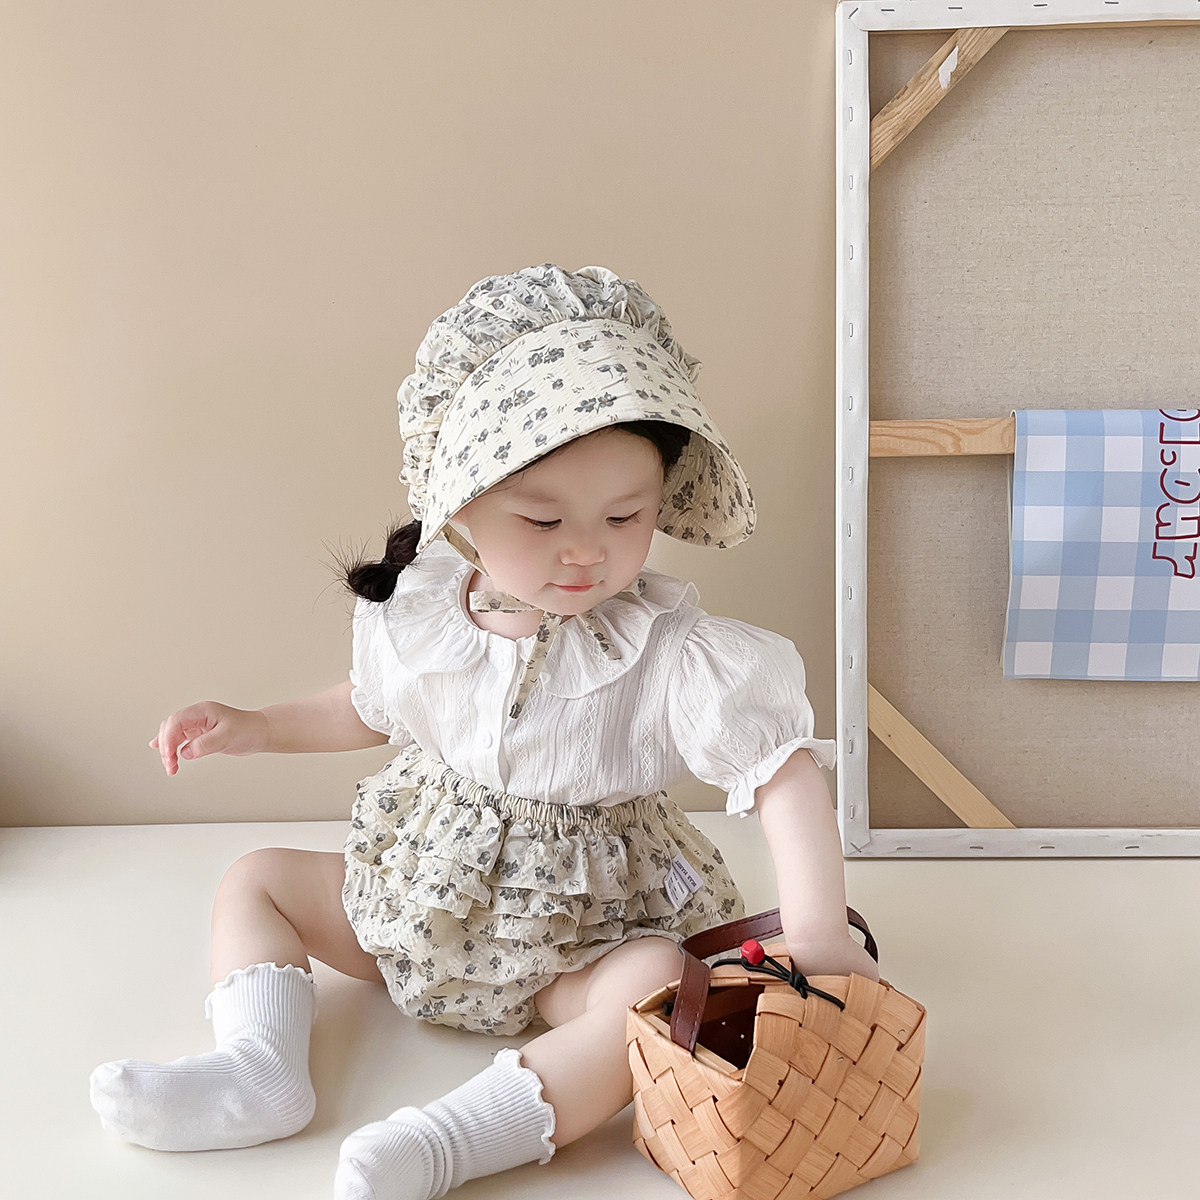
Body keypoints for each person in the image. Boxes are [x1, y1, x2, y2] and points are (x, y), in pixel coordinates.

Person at [89, 264, 878, 1200]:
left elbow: (781, 770)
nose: (586, 548)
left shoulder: (674, 652)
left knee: (659, 989)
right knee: (255, 878)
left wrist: (818, 930)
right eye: (541, 519)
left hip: (583, 934)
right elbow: (373, 708)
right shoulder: (425, 610)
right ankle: (259, 1070)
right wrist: (257, 726)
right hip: (422, 903)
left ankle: (449, 1143)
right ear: (458, 507)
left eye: (625, 516)